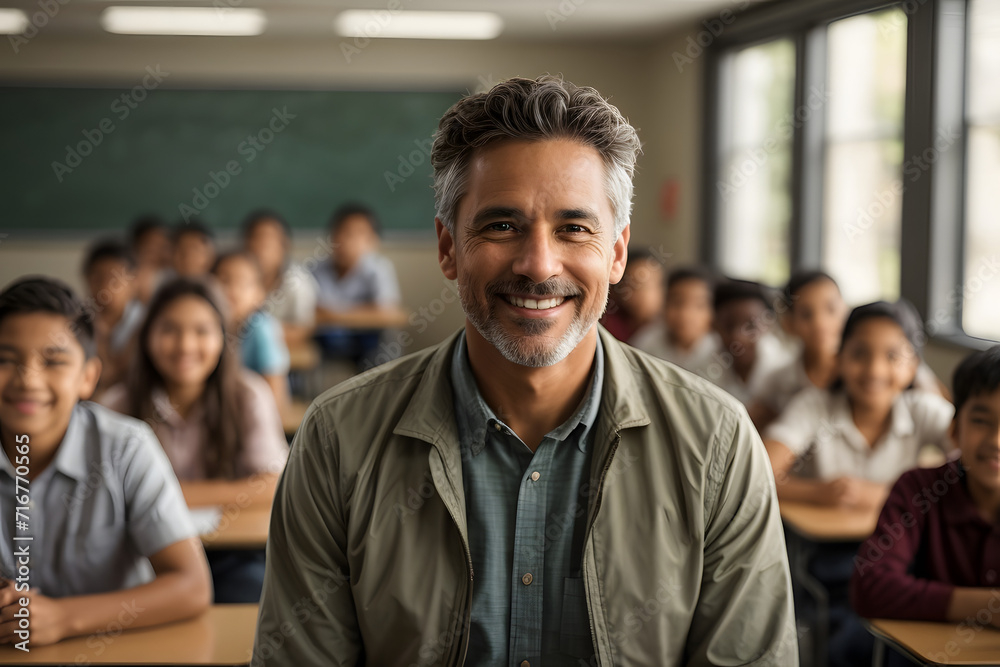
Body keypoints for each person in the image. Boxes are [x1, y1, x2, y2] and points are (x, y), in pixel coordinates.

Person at [253, 75, 797, 666]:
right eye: (501, 225)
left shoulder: (717, 443)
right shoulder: (338, 438)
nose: (539, 265)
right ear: (448, 248)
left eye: (574, 228)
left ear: (616, 252)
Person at [0, 277, 211, 647]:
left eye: (53, 361)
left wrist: (63, 619)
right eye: (5, 359)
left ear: (88, 377)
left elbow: (191, 586)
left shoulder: (126, 448)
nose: (28, 380)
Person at [762, 299, 955, 667]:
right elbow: (762, 469)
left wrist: (889, 496)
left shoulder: (922, 409)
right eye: (860, 353)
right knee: (851, 637)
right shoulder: (814, 406)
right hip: (828, 560)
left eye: (892, 356)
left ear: (914, 363)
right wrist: (820, 492)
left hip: (905, 556)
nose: (874, 369)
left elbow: (973, 463)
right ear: (840, 356)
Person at [101, 277, 288, 603]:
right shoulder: (117, 405)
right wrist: (225, 492)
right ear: (147, 337)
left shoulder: (247, 395)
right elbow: (104, 498)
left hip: (231, 554)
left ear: (223, 338)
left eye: (202, 331)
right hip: (144, 555)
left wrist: (163, 495)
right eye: (170, 330)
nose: (186, 345)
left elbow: (274, 483)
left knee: (253, 596)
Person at [850, 344, 1000, 664]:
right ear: (954, 430)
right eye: (982, 420)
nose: (996, 440)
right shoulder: (918, 489)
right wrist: (988, 606)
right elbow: (870, 586)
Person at [311, 203, 406, 368]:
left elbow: (387, 313)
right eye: (343, 232)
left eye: (357, 234)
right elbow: (309, 313)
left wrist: (333, 315)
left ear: (372, 241)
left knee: (385, 344)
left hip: (367, 340)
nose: (347, 241)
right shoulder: (315, 270)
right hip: (327, 341)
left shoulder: (378, 269)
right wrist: (364, 310)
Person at [693, 278, 794, 411]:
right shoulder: (701, 367)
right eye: (729, 326)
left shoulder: (782, 367)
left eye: (751, 327)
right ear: (714, 326)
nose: (739, 337)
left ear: (768, 325)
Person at [211, 251, 291, 412]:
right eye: (224, 280)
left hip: (256, 414)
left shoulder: (262, 328)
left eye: (243, 283)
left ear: (260, 294)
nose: (232, 290)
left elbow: (275, 396)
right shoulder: (208, 327)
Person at [241, 209, 318, 348]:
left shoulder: (297, 282)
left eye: (268, 242)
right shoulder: (231, 276)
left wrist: (258, 336)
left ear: (284, 246)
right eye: (255, 238)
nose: (260, 248)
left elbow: (302, 329)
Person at [81, 239, 145, 399]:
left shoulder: (145, 320)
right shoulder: (79, 320)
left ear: (134, 282)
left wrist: (101, 338)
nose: (105, 288)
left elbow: (113, 376)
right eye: (97, 279)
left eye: (114, 280)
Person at [632, 265, 718, 372]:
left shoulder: (718, 352)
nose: (686, 314)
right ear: (664, 304)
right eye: (677, 302)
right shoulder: (647, 343)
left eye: (699, 305)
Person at [598, 248, 664, 343]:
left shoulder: (670, 328)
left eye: (649, 286)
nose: (643, 295)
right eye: (634, 286)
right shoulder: (609, 326)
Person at [129, 215, 172, 304]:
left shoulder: (175, 275)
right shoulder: (128, 276)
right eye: (151, 246)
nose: (157, 252)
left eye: (163, 246)